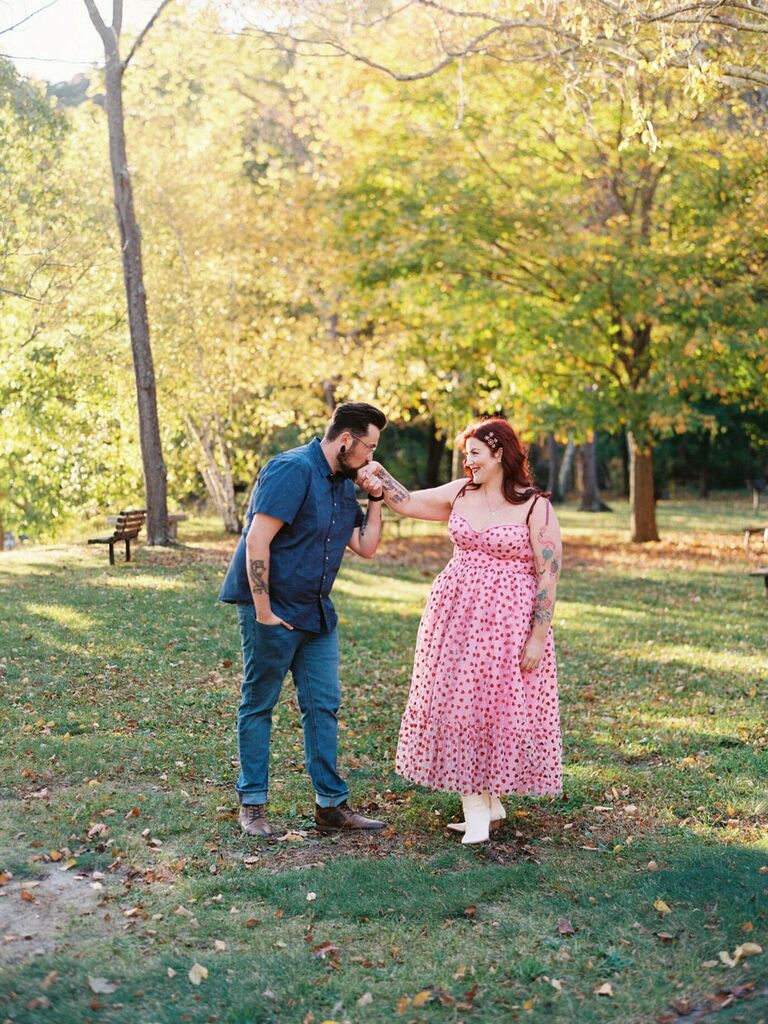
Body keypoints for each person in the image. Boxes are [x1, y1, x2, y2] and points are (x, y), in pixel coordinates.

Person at [358, 417, 562, 844]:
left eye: (475, 454)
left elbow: (548, 574)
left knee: (495, 706)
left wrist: (538, 636)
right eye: (466, 453)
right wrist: (379, 474)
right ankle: (480, 808)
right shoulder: (459, 493)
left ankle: (486, 808)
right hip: (455, 619)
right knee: (460, 703)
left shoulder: (534, 506)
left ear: (500, 454)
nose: (468, 462)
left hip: (508, 624)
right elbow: (408, 500)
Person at [219, 402, 389, 838]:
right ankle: (253, 805)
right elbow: (258, 539)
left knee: (322, 708)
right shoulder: (291, 470)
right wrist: (263, 612)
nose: (371, 457)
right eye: (368, 447)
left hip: (316, 613)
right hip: (273, 610)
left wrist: (375, 497)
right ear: (346, 440)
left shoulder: (342, 482)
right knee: (259, 705)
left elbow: (366, 546)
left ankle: (331, 807)